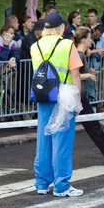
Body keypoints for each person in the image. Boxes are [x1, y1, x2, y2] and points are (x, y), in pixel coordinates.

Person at [30, 12, 83, 197]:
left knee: (44, 140)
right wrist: (77, 102)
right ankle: (61, 186)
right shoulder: (67, 44)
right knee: (61, 141)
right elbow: (75, 75)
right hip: (64, 97)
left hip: (43, 95)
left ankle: (42, 183)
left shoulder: (35, 45)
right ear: (61, 27)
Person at [72, 27, 104, 165]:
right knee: (93, 126)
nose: (92, 40)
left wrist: (89, 71)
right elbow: (74, 75)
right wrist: (89, 74)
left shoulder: (80, 53)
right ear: (84, 40)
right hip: (77, 96)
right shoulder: (79, 54)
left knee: (93, 126)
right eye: (90, 38)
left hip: (79, 96)